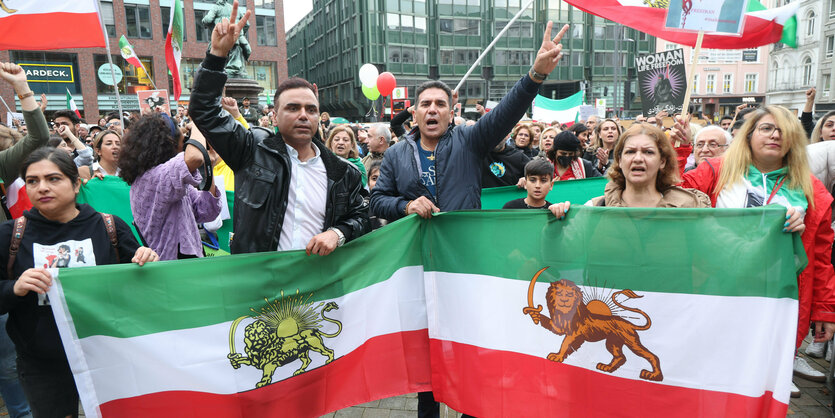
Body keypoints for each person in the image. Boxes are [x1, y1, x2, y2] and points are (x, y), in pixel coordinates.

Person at [370, 21, 570, 417]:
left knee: (470, 345)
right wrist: (406, 206)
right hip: (416, 265)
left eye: (440, 104)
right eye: (425, 104)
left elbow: (507, 113)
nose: (432, 109)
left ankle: (472, 408)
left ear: (451, 110)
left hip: (465, 265)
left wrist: (536, 75)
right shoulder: (394, 155)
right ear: (414, 112)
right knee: (428, 353)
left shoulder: (470, 140)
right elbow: (377, 200)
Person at [189, 0, 369, 255]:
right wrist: (217, 56)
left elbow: (362, 215)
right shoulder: (251, 150)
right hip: (258, 283)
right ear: (274, 116)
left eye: (311, 109)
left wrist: (337, 233)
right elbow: (203, 110)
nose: (303, 115)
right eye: (293, 108)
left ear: (319, 117)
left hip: (316, 287)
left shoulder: (342, 173)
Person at [681, 106, 835, 397]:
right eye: (766, 128)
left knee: (758, 384)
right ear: (749, 136)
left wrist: (824, 308)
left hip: (775, 300)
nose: (775, 135)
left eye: (783, 131)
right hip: (714, 291)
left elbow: (821, 256)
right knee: (709, 375)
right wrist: (678, 150)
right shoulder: (716, 171)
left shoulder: (812, 190)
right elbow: (669, 196)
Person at [0, 147, 158, 417]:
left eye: (53, 179)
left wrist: (148, 260)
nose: (42, 188)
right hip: (42, 363)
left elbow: (144, 287)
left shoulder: (109, 227)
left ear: (75, 185)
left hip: (109, 354)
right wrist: (14, 288)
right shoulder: (10, 234)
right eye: (32, 181)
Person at [549, 124, 709, 220]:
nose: (638, 158)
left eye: (648, 152)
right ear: (619, 159)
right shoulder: (595, 208)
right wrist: (559, 221)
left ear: (662, 161)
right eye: (630, 152)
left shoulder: (689, 210)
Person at [118, 114, 222, 260]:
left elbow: (206, 211)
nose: (185, 144)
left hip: (188, 262)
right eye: (183, 139)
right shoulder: (151, 179)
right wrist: (198, 124)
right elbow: (194, 157)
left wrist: (209, 165)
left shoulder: (169, 180)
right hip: (170, 268)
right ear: (168, 142)